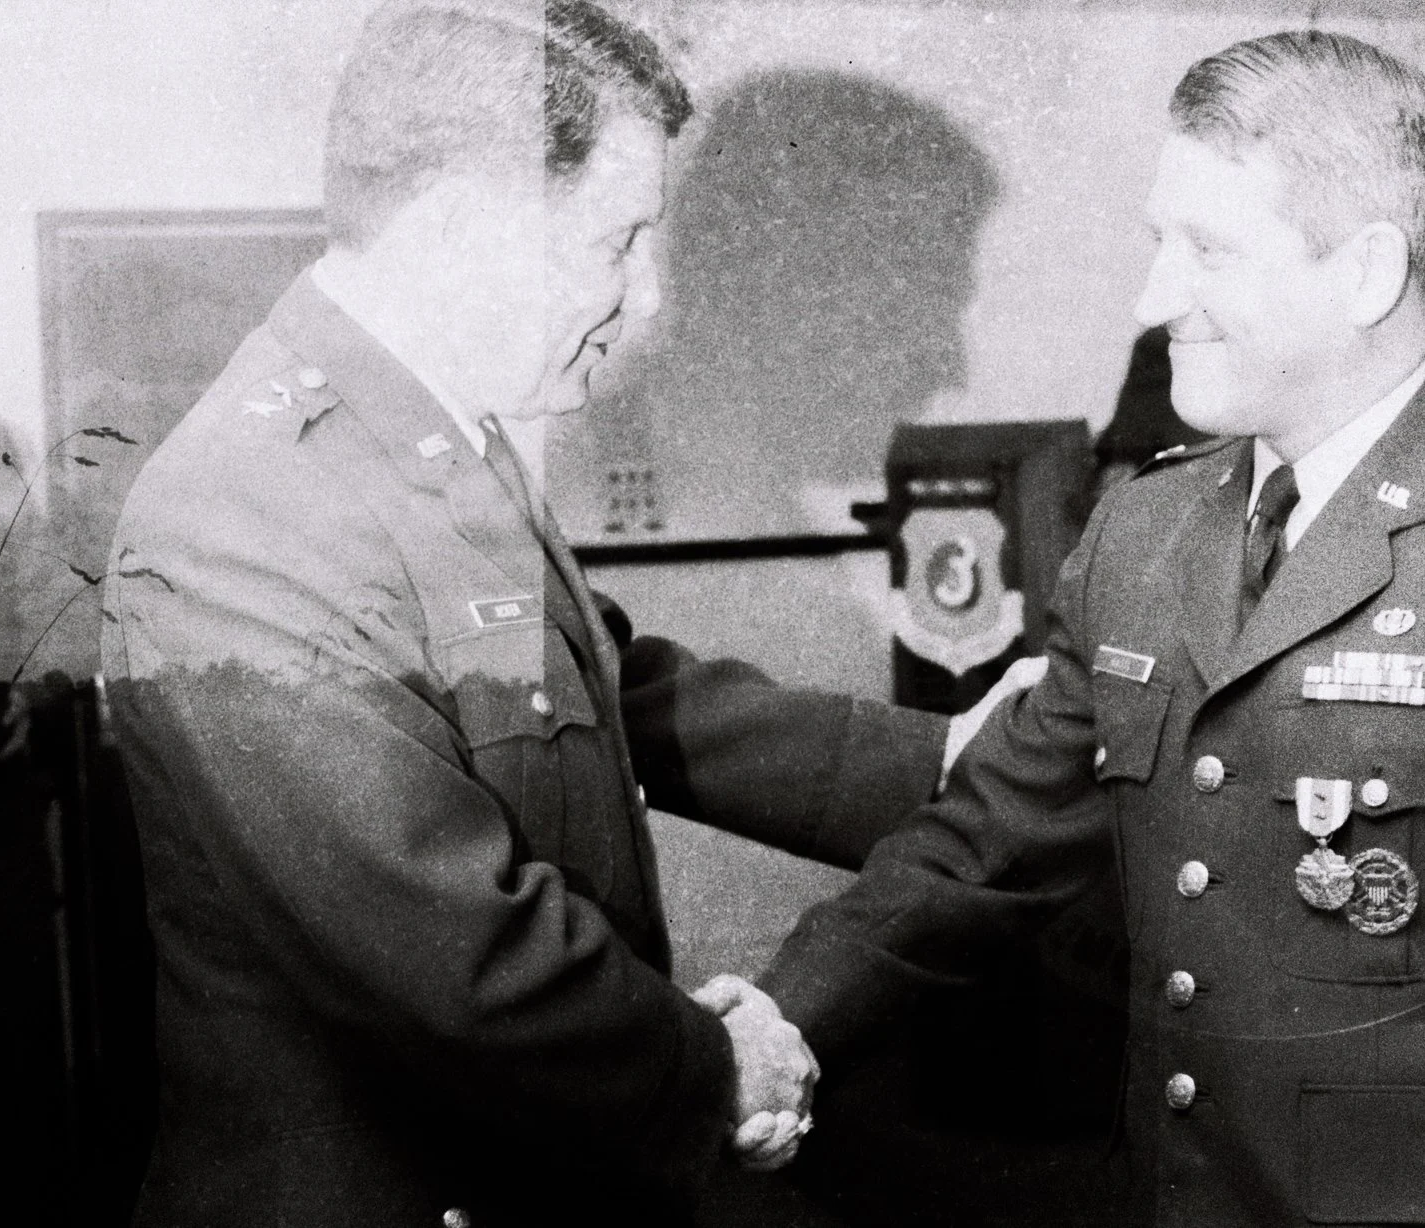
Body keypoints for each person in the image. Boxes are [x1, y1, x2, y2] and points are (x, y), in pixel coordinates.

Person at [100, 2, 1028, 1223]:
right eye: (617, 240)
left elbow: (604, 687)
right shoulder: (251, 509)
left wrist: (943, 755)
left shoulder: (432, 437)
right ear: (456, 231)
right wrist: (719, 1068)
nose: (645, 299)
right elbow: (460, 951)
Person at [757, 30, 1425, 1227]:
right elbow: (993, 836)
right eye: (1157, 244)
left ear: (1368, 272)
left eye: (1205, 249)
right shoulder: (1146, 532)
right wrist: (782, 1017)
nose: (1151, 298)